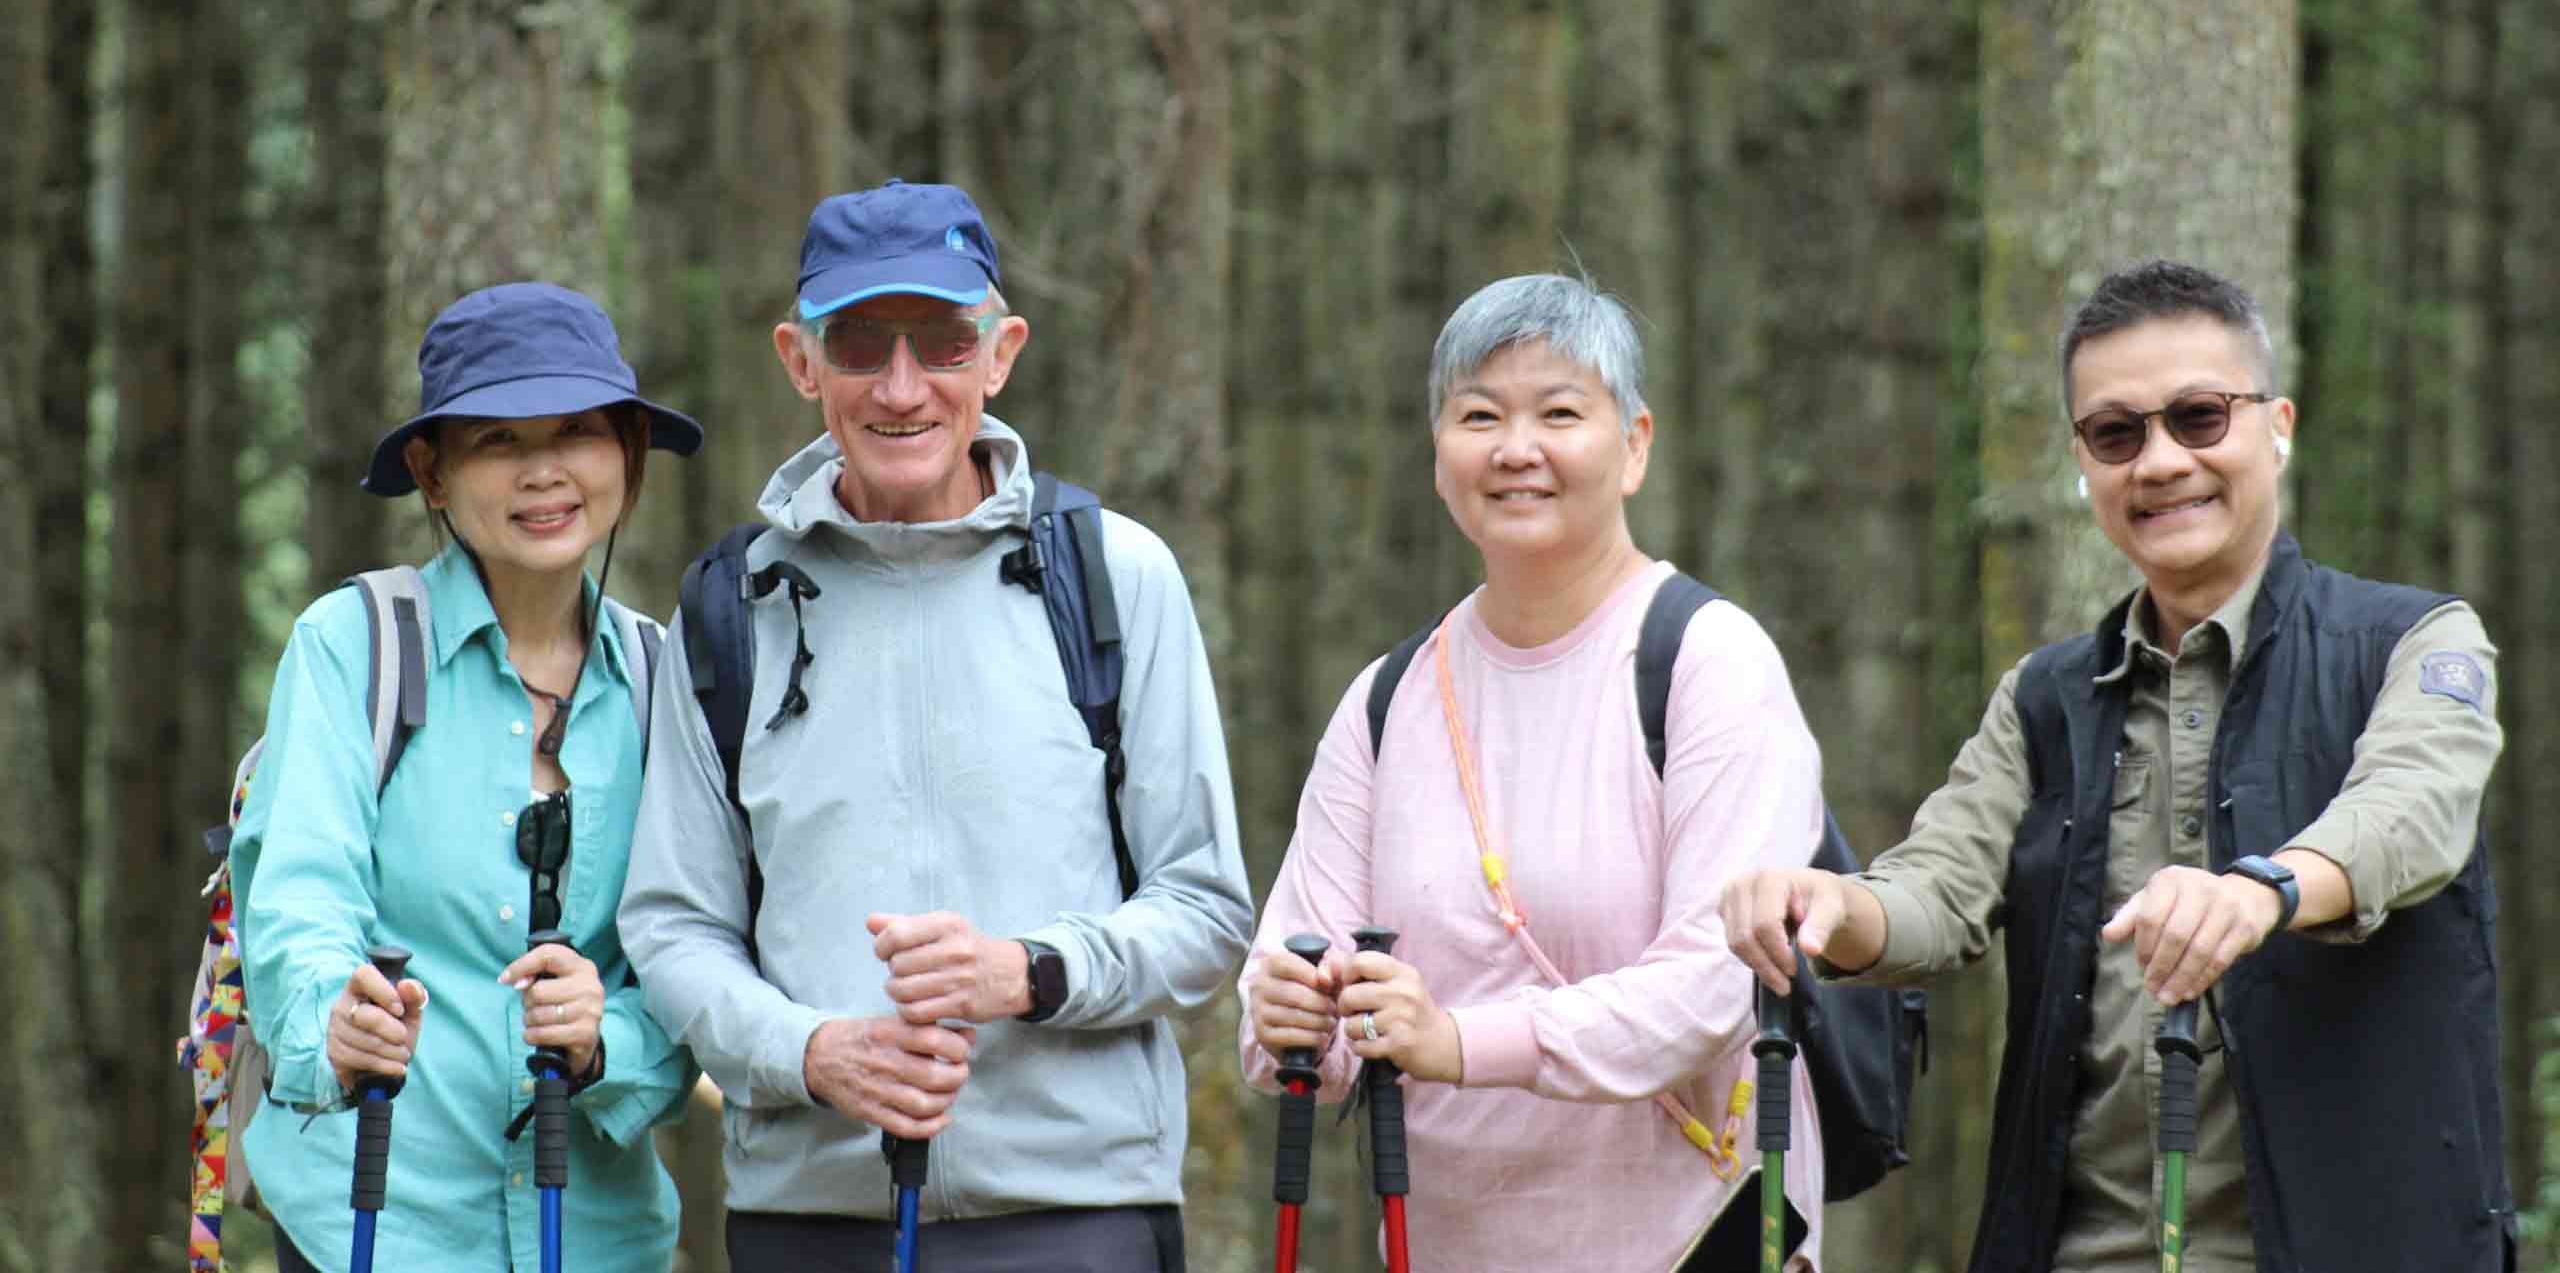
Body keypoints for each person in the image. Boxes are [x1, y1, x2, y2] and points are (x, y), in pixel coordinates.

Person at [1720, 258, 2511, 1273]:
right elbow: (1935, 891)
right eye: (2116, 433)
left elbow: (2412, 810)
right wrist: (1830, 904)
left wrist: (2262, 890)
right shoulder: (2044, 697)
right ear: (2082, 463)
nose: (2162, 461)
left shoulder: (2412, 640)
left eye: (2199, 416)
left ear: (2277, 426)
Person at [618, 179, 1253, 1273]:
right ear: (801, 360)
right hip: (810, 1223)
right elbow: (674, 924)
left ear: (1001, 353)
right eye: (862, 342)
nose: (902, 386)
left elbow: (1204, 906)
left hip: (1076, 1214)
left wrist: (1032, 971)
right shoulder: (729, 607)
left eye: (944, 342)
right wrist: (813, 1052)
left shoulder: (1112, 575)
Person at [1239, 272, 1829, 1272]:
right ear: (1439, 457)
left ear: (1633, 444)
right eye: (1479, 416)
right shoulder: (1386, 700)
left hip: (1695, 1241)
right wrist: (1293, 1012)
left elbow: (1713, 986)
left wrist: (1458, 1041)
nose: (1516, 449)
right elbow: (1290, 1014)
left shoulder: (1707, 662)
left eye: (1559, 413)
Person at [231, 282, 705, 1272]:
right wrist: (335, 1022)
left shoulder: (668, 680)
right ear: (432, 473)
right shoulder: (353, 645)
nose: (544, 469)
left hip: (597, 1237)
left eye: (577, 430)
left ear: (627, 453)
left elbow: (700, 957)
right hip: (370, 1222)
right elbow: (299, 894)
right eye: (497, 440)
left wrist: (607, 1038)